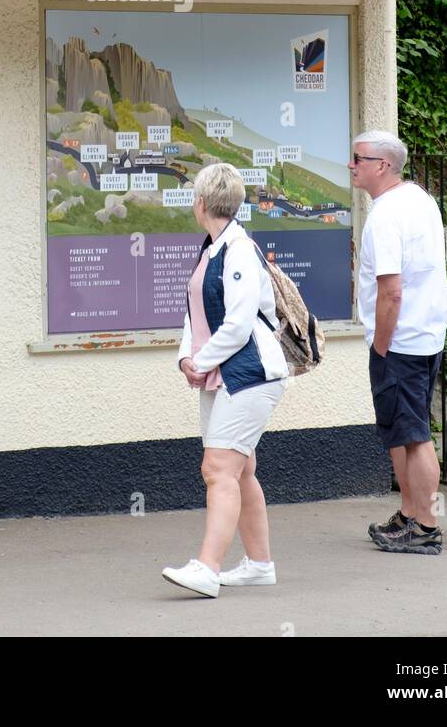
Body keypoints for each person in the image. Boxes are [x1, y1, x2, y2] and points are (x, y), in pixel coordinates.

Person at [162, 162, 287, 598]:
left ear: (200, 203)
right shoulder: (212, 248)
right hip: (223, 374)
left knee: (218, 469)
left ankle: (207, 568)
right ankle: (259, 564)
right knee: (241, 468)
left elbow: (236, 325)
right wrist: (186, 358)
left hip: (250, 373)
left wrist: (200, 361)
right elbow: (193, 313)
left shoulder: (237, 250)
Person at [349, 130, 447, 554]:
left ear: (382, 165)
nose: (352, 165)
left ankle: (424, 526)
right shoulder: (421, 199)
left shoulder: (386, 215)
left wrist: (381, 347)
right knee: (403, 431)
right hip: (426, 335)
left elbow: (391, 291)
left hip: (401, 342)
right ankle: (409, 515)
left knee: (413, 433)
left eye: (358, 158)